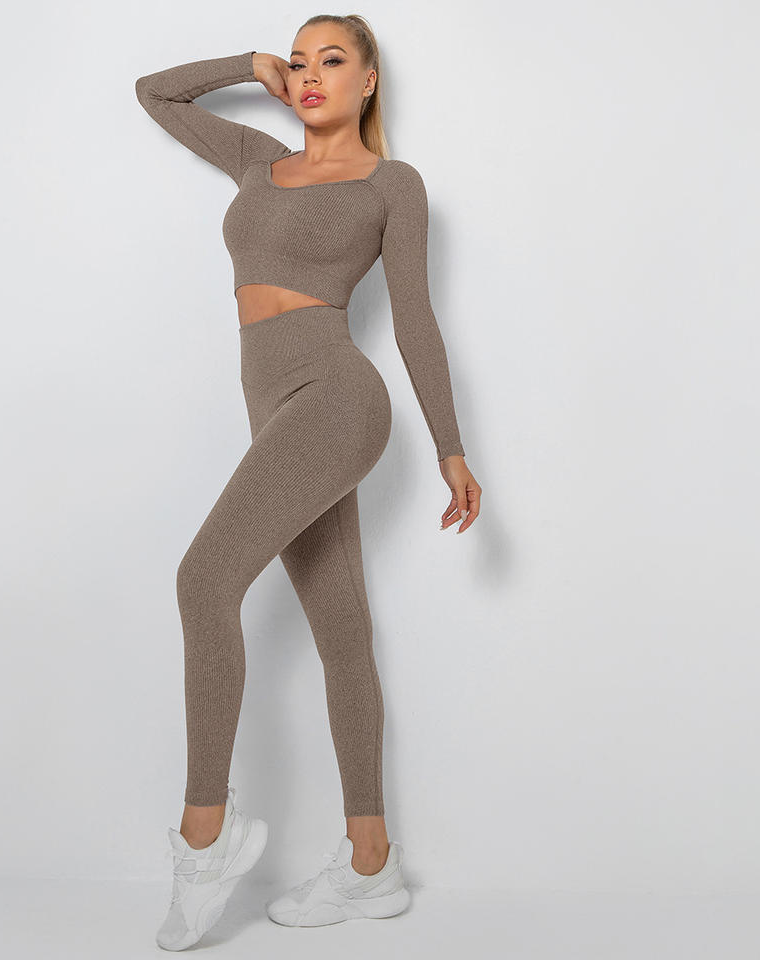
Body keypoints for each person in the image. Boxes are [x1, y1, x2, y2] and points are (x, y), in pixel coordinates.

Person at [135, 13, 482, 950]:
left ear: (368, 81)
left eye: (332, 59)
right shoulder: (258, 161)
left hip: (337, 399)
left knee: (204, 579)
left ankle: (204, 837)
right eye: (298, 61)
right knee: (341, 630)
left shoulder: (391, 184)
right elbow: (153, 93)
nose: (309, 74)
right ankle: (371, 865)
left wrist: (450, 448)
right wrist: (249, 65)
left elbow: (414, 318)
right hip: (272, 406)